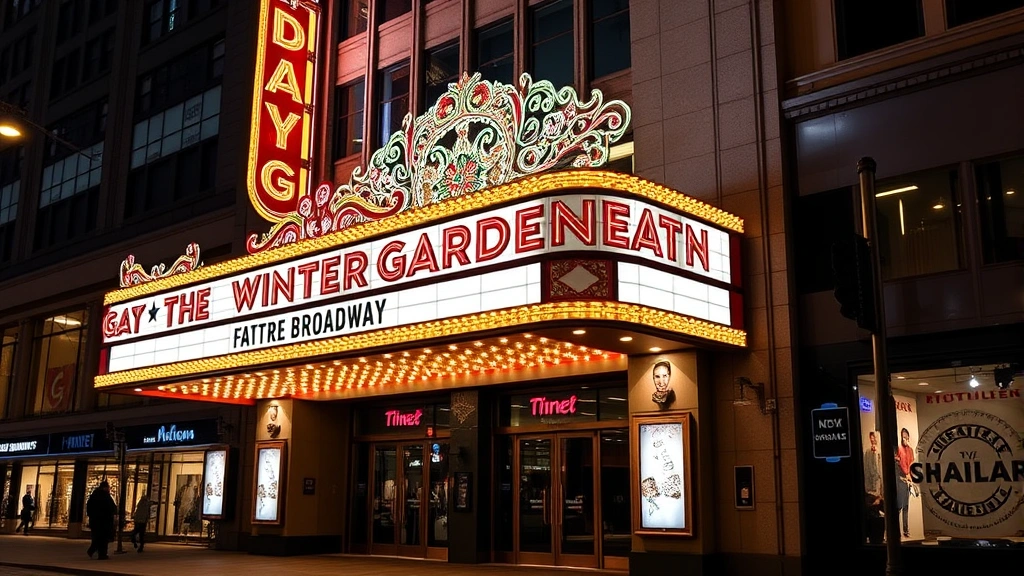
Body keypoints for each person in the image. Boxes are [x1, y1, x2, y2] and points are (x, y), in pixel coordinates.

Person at [86, 481, 116, 560]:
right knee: (103, 539)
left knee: (97, 537)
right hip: (104, 521)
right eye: (108, 487)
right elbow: (112, 508)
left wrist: (91, 516)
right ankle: (101, 554)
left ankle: (94, 551)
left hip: (95, 521)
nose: (109, 489)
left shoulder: (93, 496)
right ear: (105, 488)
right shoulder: (106, 497)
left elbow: (89, 508)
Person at [895, 428, 915, 539]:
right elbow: (897, 465)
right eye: (903, 436)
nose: (904, 438)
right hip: (901, 479)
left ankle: (906, 530)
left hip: (908, 479)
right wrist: (903, 476)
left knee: (906, 506)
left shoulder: (910, 450)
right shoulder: (899, 449)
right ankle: (895, 529)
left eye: (906, 436)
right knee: (899, 506)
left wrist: (910, 478)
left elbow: (912, 464)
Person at [863, 431, 882, 495]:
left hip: (879, 479)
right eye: (871, 438)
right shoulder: (868, 452)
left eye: (874, 437)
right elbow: (866, 468)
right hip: (871, 481)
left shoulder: (880, 450)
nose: (872, 439)